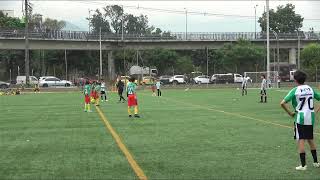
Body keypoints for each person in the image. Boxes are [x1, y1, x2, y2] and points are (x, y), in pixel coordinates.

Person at [280, 70, 320, 171]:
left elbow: (282, 103)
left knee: (301, 139)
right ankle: (316, 162)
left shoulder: (295, 90)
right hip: (310, 117)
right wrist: (316, 110)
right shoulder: (310, 88)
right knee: (310, 139)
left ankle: (303, 165)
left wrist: (290, 113)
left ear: (295, 79)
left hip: (301, 117)